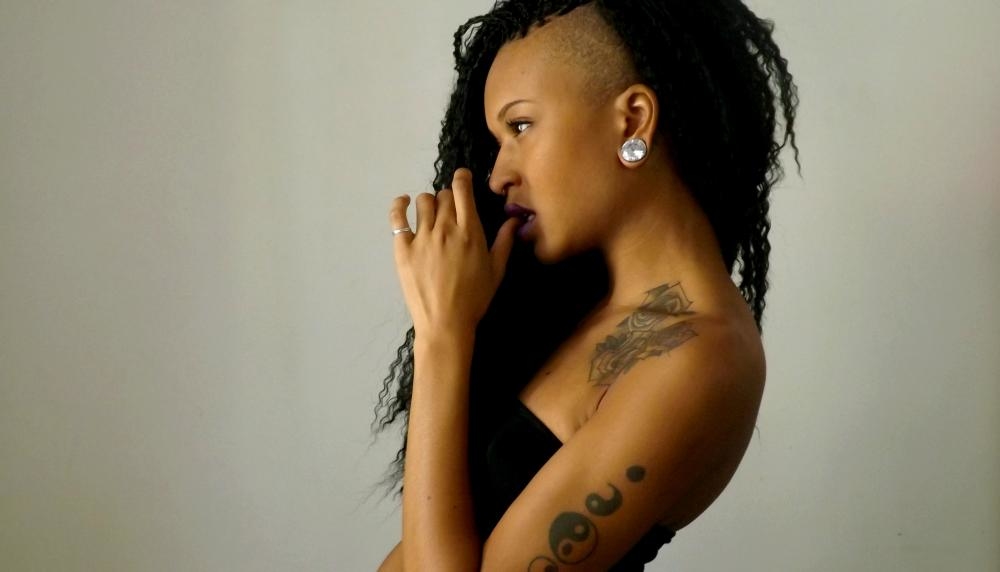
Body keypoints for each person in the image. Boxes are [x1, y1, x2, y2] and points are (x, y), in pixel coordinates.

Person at [373, 0, 800, 569]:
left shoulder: (703, 356)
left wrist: (442, 336)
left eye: (520, 126)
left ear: (633, 121)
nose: (499, 175)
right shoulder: (577, 309)